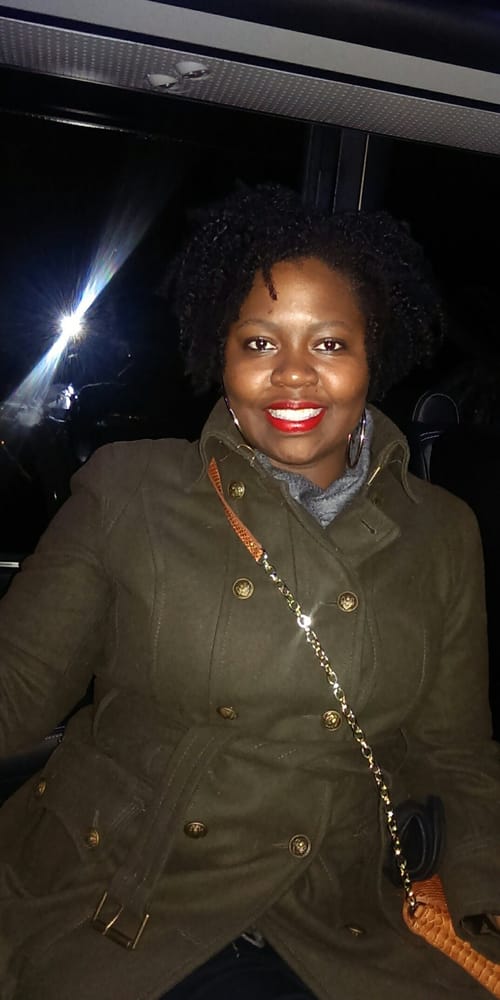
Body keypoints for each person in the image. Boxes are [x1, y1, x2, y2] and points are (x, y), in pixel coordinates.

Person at [0, 185, 499, 1000]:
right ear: (222, 355)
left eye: (330, 343)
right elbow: (16, 688)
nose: (293, 374)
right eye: (260, 342)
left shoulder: (441, 531)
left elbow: (455, 754)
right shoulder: (132, 488)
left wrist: (487, 901)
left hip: (338, 909)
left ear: (372, 357)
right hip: (127, 888)